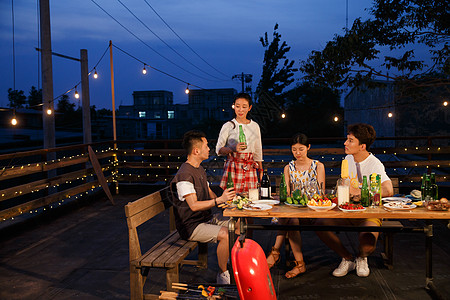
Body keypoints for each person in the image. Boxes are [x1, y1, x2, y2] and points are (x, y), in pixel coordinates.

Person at [315, 123, 394, 277]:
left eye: (350, 140)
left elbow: (388, 190)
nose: (345, 143)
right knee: (320, 224)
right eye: (347, 139)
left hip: (368, 212)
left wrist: (362, 192)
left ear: (362, 146)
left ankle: (362, 257)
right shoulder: (348, 159)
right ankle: (347, 258)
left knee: (367, 243)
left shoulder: (374, 164)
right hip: (347, 210)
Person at [170, 130, 236, 284]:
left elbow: (209, 191)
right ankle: (222, 274)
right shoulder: (185, 175)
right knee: (225, 234)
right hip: (191, 226)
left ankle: (226, 259)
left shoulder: (198, 168)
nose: (208, 149)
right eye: (206, 146)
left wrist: (224, 201)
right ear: (196, 150)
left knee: (237, 225)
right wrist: (219, 200)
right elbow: (193, 206)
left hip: (204, 219)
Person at [266, 133, 326, 278]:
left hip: (311, 210)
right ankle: (300, 264)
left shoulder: (318, 166)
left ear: (308, 148)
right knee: (291, 219)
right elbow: (286, 193)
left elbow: (321, 193)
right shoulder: (289, 167)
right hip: (293, 210)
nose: (297, 153)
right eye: (294, 149)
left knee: (288, 218)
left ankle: (275, 253)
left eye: (301, 149)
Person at [216, 92, 263, 193]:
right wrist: (232, 148)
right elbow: (218, 150)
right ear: (234, 107)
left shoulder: (255, 126)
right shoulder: (228, 126)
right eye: (237, 106)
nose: (240, 110)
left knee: (251, 200)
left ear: (249, 108)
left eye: (244, 106)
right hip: (233, 167)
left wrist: (261, 171)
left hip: (250, 166)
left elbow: (258, 150)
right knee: (231, 201)